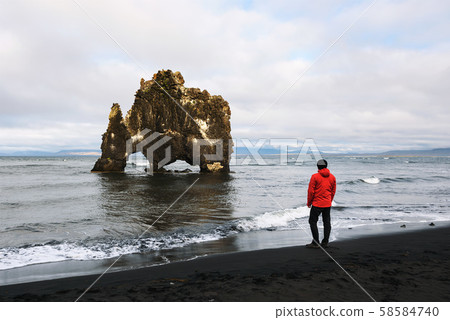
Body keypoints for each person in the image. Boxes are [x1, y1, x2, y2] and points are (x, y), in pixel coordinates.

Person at [306, 159, 336, 248]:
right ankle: (325, 242)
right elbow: (333, 191)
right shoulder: (332, 177)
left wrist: (309, 202)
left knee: (312, 221)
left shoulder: (315, 176)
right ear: (326, 166)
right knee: (327, 222)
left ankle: (316, 242)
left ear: (317, 166)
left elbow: (311, 191)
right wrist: (330, 201)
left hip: (317, 203)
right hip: (327, 203)